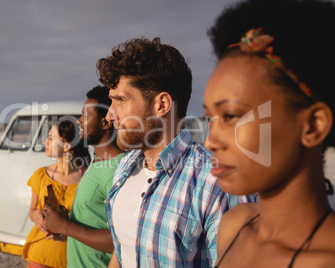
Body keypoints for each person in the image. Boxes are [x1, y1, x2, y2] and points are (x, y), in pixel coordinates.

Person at [96, 37, 255, 267]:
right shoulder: (126, 166)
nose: (110, 115)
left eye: (120, 100)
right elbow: (122, 253)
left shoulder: (216, 182)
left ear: (161, 105)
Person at [203, 0, 335, 267]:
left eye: (230, 116)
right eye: (209, 119)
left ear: (313, 125)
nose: (209, 141)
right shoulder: (234, 226)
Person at [42, 86, 126, 267]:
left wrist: (66, 227)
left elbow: (122, 242)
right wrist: (64, 225)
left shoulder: (119, 170)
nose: (79, 121)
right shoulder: (97, 163)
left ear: (105, 123)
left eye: (86, 116)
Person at [22, 120, 90, 268]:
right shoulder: (40, 175)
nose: (45, 142)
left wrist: (69, 229)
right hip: (40, 256)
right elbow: (32, 211)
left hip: (74, 258)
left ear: (67, 145)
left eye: (51, 138)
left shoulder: (88, 177)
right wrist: (37, 215)